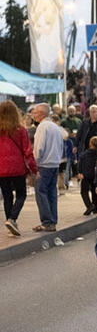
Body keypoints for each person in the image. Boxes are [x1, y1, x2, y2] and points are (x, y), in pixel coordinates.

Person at [0, 100, 37, 236]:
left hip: (1, 169)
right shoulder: (20, 130)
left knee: (7, 196)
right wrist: (34, 169)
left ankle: (10, 222)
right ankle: (12, 219)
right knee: (21, 194)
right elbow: (27, 151)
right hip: (17, 168)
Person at [31, 103, 63, 232]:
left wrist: (34, 164)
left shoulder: (42, 127)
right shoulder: (55, 127)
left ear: (42, 114)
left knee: (41, 192)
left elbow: (39, 148)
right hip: (54, 163)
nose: (33, 115)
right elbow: (61, 146)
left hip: (44, 165)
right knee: (51, 193)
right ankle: (52, 220)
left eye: (35, 113)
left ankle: (47, 221)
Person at [77, 136, 97, 216]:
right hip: (95, 175)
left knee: (84, 191)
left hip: (85, 175)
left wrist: (80, 172)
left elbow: (80, 163)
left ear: (90, 144)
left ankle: (89, 206)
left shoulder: (84, 154)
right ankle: (95, 207)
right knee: (94, 191)